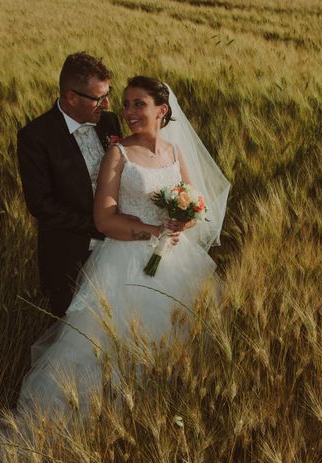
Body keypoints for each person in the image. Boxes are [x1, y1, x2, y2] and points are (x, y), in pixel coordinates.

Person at [18, 76, 231, 416]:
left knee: (177, 344)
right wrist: (152, 230)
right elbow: (104, 220)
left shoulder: (174, 152)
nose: (128, 112)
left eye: (139, 104)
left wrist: (182, 222)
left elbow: (196, 203)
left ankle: (160, 412)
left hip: (176, 262)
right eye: (127, 103)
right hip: (125, 265)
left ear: (162, 110)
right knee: (114, 348)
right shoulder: (117, 154)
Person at [17, 52, 126, 317]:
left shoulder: (109, 122)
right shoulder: (36, 136)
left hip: (118, 252)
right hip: (70, 256)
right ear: (71, 97)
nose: (107, 103)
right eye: (98, 98)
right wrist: (101, 224)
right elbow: (41, 205)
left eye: (108, 93)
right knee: (72, 333)